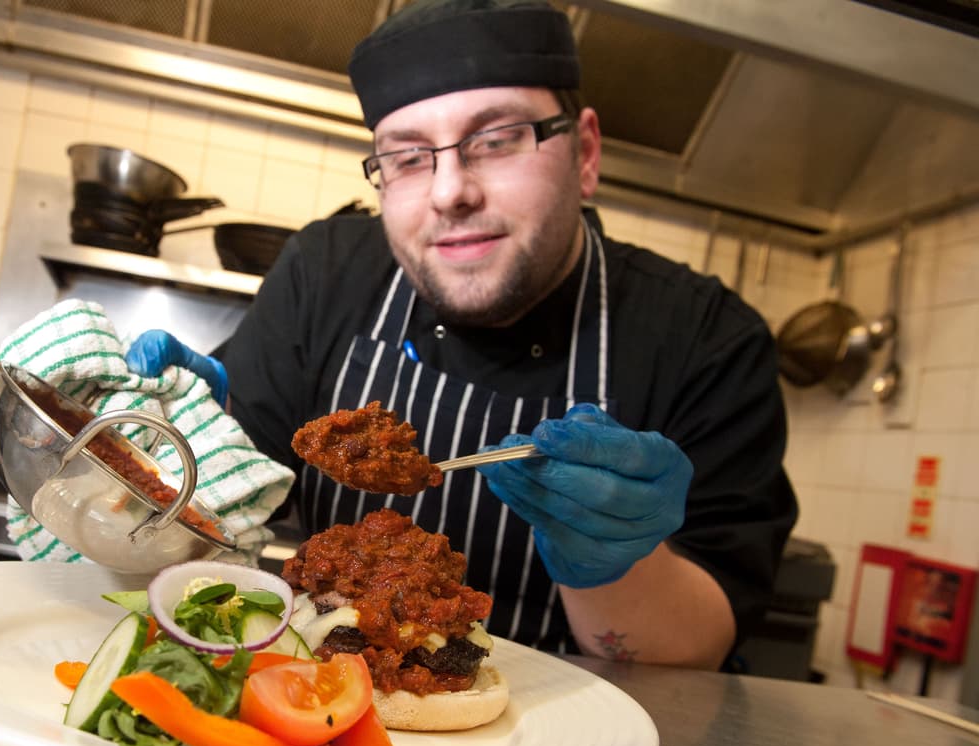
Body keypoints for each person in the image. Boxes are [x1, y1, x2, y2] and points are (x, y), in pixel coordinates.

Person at [127, 0, 797, 670]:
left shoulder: (708, 338)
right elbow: (214, 519)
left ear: (585, 154)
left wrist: (620, 563)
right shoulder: (326, 272)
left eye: (498, 138)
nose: (450, 192)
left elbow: (701, 651)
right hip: (327, 711)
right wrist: (179, 437)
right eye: (408, 156)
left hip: (574, 739)